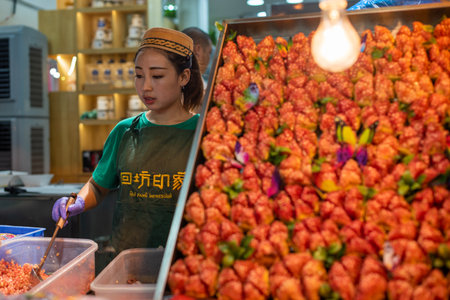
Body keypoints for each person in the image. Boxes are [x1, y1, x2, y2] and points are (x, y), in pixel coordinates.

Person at [51, 27, 203, 263]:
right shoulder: (125, 131)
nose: (145, 87)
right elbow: (98, 185)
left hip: (183, 262)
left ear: (183, 77)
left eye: (157, 76)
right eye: (139, 75)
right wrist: (77, 201)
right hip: (125, 263)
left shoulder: (202, 134)